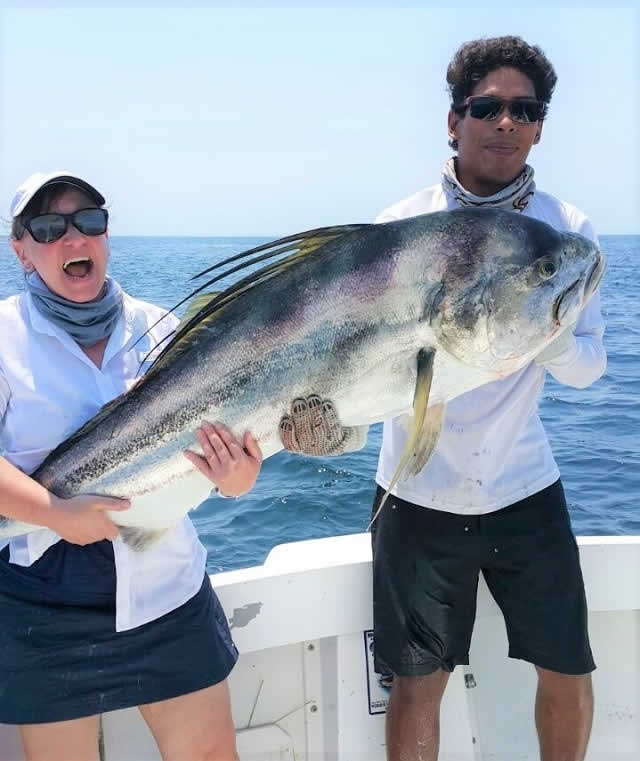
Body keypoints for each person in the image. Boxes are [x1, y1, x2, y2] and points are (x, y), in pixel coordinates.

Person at [281, 36, 606, 761]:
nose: (507, 123)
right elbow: (353, 362)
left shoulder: (567, 231)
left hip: (526, 485)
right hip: (415, 489)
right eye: (488, 107)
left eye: (526, 109)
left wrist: (544, 333)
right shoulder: (401, 228)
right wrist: (323, 424)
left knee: (569, 666)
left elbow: (588, 366)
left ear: (541, 125)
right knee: (416, 680)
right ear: (453, 120)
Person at [0, 171, 263, 761]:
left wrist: (237, 477)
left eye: (88, 221)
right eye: (48, 228)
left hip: (166, 594)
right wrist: (53, 513)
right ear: (20, 248)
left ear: (107, 233)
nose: (74, 239)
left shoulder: (164, 331)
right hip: (45, 604)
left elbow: (238, 473)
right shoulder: (4, 337)